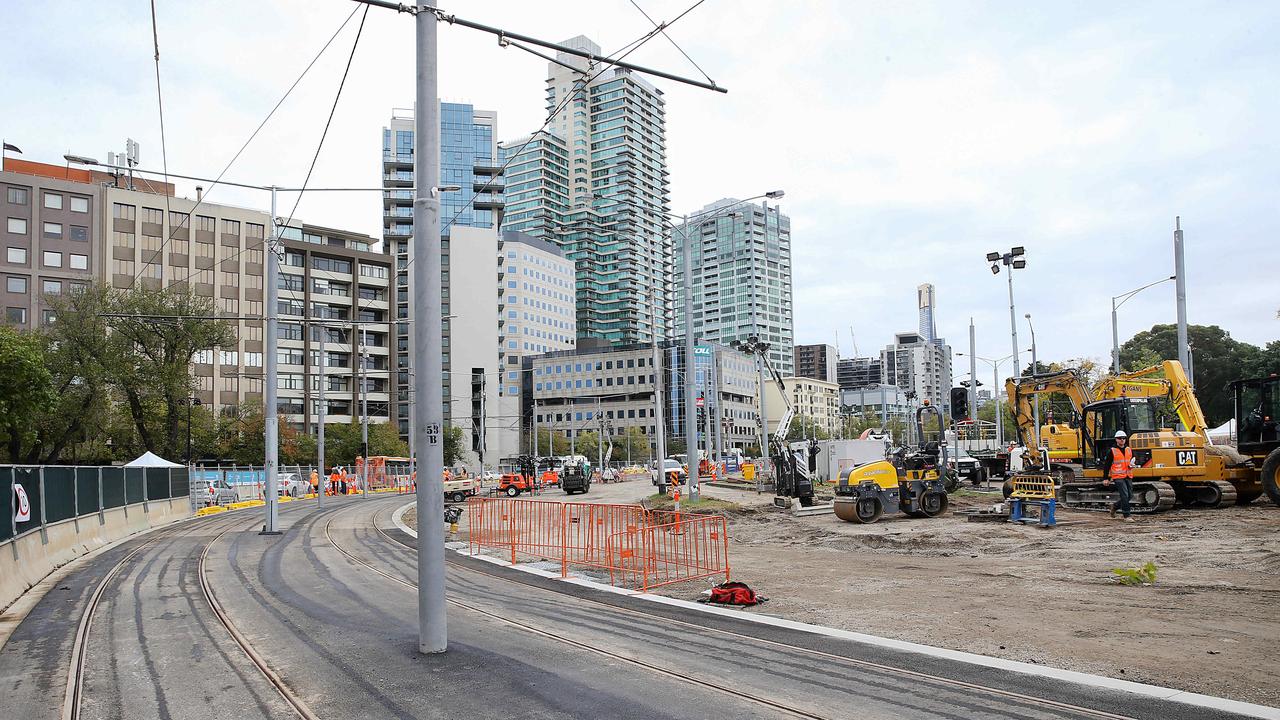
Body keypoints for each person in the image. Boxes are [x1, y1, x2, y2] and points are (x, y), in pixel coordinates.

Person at [1103, 430, 1136, 521]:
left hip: (1128, 475)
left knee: (1130, 496)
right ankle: (1127, 515)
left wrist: (1132, 464)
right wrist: (1106, 478)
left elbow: (1130, 460)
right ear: (1116, 439)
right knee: (1124, 495)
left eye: (1124, 438)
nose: (1122, 440)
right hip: (1118, 477)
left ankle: (1115, 506)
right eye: (1120, 438)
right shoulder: (1112, 451)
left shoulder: (1128, 449)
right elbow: (1107, 465)